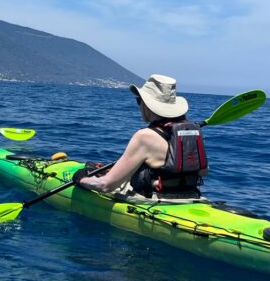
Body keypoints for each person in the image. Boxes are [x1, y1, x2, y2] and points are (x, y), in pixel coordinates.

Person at [78, 74, 208, 198]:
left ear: (147, 105)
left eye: (139, 101)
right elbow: (203, 172)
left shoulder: (144, 136)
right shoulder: (192, 132)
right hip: (193, 195)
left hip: (153, 199)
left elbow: (105, 186)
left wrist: (81, 179)